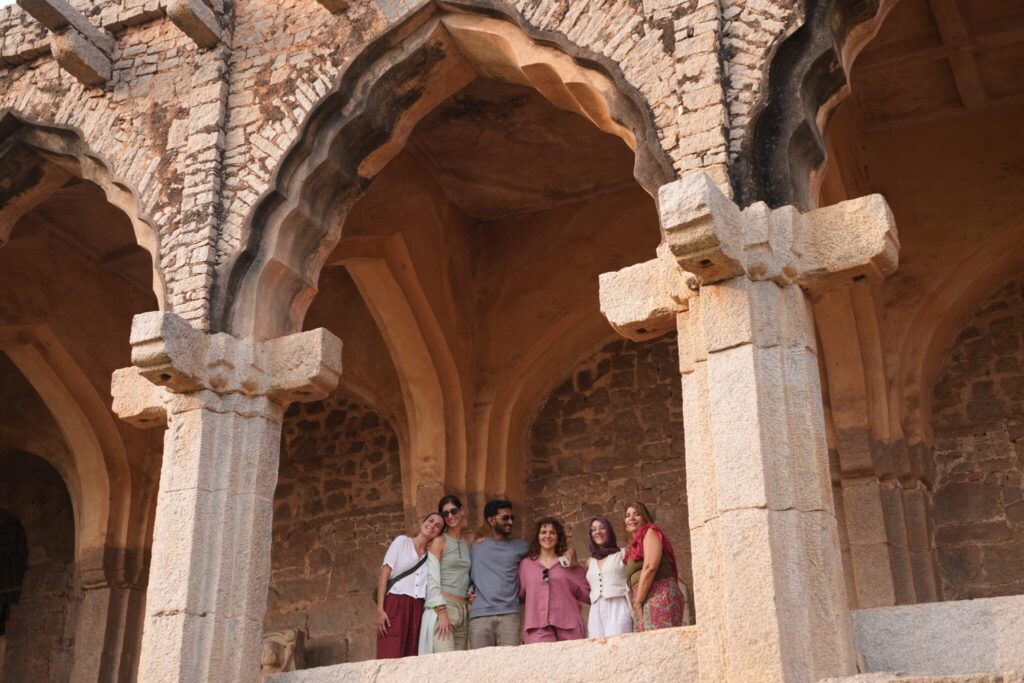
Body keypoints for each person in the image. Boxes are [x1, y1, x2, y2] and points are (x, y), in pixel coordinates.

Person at [375, 512, 445, 658]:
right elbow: (384, 574)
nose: (432, 526)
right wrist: (380, 610)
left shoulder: (430, 556)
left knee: (412, 657)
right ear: (422, 523)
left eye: (437, 526)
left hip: (418, 608)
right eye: (430, 521)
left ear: (438, 534)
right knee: (390, 653)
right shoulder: (402, 542)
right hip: (395, 603)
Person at [518, 516, 590, 644]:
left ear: (558, 537)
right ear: (537, 536)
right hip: (537, 628)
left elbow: (589, 594)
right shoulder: (526, 565)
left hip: (569, 626)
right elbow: (518, 594)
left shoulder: (570, 565)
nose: (548, 536)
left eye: (552, 532)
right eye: (543, 532)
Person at [468, 499, 529, 648]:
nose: (510, 522)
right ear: (491, 521)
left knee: (510, 666)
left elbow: (547, 554)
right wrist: (468, 591)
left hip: (509, 615)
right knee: (481, 667)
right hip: (480, 616)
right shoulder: (476, 548)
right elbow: (465, 575)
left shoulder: (522, 547)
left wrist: (570, 552)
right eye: (505, 518)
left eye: (511, 518)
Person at [419, 495, 472, 654]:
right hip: (443, 608)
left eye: (453, 511)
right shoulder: (439, 541)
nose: (450, 516)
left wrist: (470, 591)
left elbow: (466, 575)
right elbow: (431, 578)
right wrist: (441, 612)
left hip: (463, 611)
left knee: (459, 667)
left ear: (461, 510)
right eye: (445, 514)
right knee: (445, 664)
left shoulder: (467, 544)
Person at [623, 502, 685, 631]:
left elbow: (650, 567)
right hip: (643, 597)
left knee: (662, 641)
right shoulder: (633, 546)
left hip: (659, 594)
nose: (631, 518)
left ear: (645, 517)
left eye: (637, 514)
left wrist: (638, 601)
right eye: (628, 515)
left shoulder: (650, 532)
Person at [585, 516, 633, 637]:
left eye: (602, 528)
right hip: (596, 609)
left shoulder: (622, 554)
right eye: (594, 529)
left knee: (620, 643)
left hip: (618, 604)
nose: (598, 532)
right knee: (597, 646)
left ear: (609, 531)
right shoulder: (590, 561)